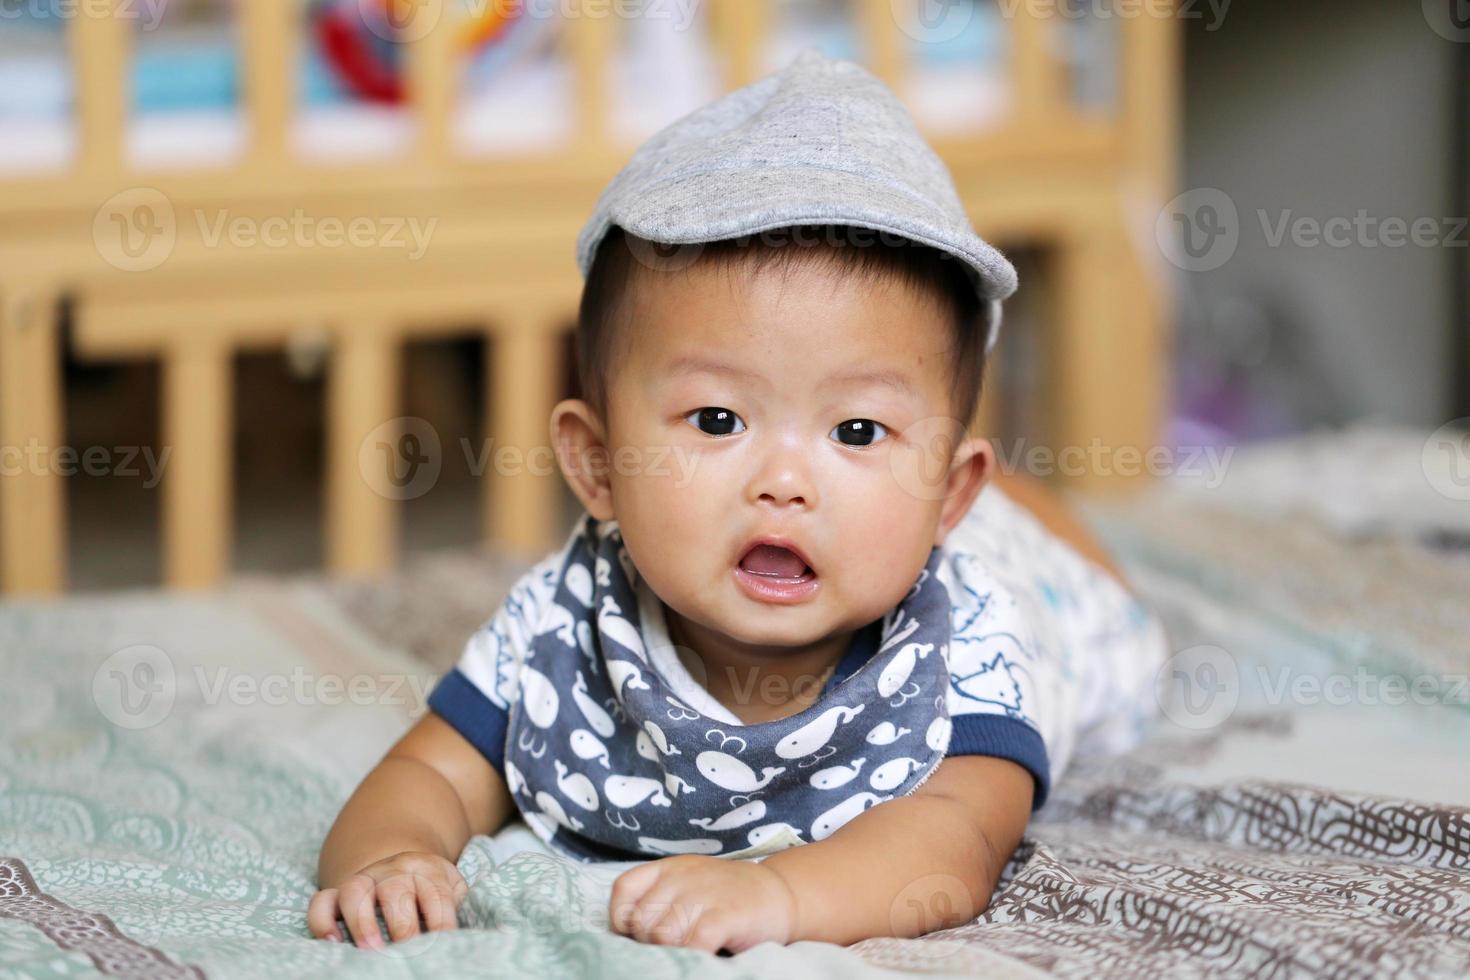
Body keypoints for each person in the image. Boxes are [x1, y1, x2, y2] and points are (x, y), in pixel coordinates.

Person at [309, 48, 1167, 955]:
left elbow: (955, 844)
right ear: (597, 466)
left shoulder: (963, 650)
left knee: (1050, 548)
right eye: (719, 420)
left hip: (1048, 594)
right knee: (883, 512)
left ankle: (1013, 509)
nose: (784, 481)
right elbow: (430, 772)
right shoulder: (564, 625)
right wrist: (392, 855)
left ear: (950, 494)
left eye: (857, 430)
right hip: (899, 521)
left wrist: (780, 897)